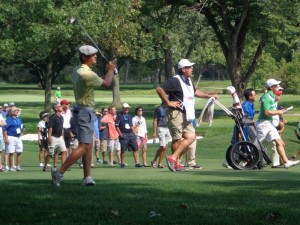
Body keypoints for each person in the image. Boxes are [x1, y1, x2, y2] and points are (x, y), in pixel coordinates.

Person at [51, 45, 115, 187]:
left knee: (89, 145)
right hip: (85, 112)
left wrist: (109, 72)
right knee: (84, 146)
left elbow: (98, 80)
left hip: (83, 111)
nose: (95, 56)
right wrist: (110, 70)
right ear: (84, 57)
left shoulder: (78, 70)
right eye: (92, 55)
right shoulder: (87, 74)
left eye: (95, 54)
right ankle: (59, 172)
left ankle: (87, 177)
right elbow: (106, 83)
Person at [156, 59, 218, 172]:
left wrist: (209, 96)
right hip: (176, 113)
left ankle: (173, 158)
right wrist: (168, 102)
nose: (192, 68)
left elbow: (195, 92)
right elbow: (159, 89)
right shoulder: (175, 80)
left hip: (187, 115)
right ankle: (176, 164)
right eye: (189, 67)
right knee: (177, 139)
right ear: (183, 69)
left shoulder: (189, 80)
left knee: (191, 137)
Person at [256, 79, 299, 168]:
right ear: (271, 87)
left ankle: (286, 162)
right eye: (276, 86)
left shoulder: (271, 96)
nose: (278, 87)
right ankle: (245, 160)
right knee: (257, 145)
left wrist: (280, 111)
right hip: (263, 124)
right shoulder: (267, 97)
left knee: (279, 141)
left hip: (269, 123)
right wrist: (278, 112)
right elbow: (266, 112)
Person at [115, 103, 142, 168]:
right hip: (123, 133)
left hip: (130, 133)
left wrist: (134, 133)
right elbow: (116, 126)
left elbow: (131, 125)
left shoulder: (129, 116)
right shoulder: (119, 116)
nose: (127, 109)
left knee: (135, 148)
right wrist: (120, 134)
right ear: (123, 108)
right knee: (123, 149)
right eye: (126, 108)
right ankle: (122, 163)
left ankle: (137, 163)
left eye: (128, 108)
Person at [3, 106, 25, 171]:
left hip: (18, 137)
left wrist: (22, 132)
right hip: (11, 137)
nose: (17, 111)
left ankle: (18, 166)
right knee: (11, 152)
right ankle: (11, 166)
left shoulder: (19, 119)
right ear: (12, 112)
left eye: (17, 110)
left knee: (19, 151)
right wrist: (6, 138)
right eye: (16, 111)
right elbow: (5, 130)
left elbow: (21, 127)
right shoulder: (9, 120)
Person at [151, 102, 171, 168]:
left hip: (168, 128)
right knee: (163, 147)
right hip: (161, 128)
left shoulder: (168, 108)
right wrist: (154, 132)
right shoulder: (159, 109)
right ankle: (154, 160)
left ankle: (160, 163)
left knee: (164, 148)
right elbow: (155, 120)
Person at [47, 103, 67, 169]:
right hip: (53, 137)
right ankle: (45, 165)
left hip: (60, 137)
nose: (61, 107)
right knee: (50, 153)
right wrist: (49, 137)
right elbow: (50, 127)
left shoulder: (61, 117)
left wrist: (63, 137)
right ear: (56, 109)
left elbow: (61, 128)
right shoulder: (53, 117)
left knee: (64, 151)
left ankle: (63, 166)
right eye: (59, 106)